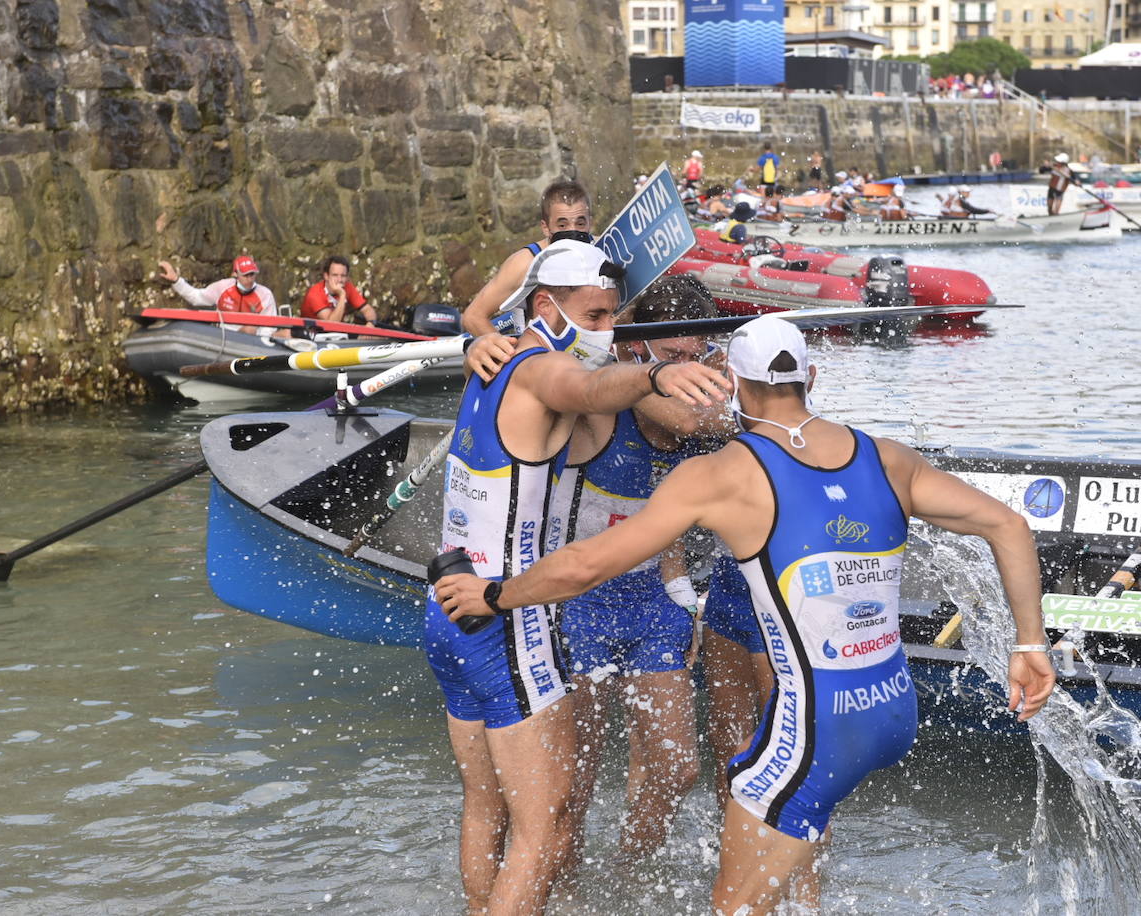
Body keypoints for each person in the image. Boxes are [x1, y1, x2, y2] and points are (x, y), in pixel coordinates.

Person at [435, 315, 1057, 915]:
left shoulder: (721, 475)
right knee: (790, 830)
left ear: (730, 382)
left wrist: (494, 595)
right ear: (812, 380)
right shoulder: (888, 459)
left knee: (735, 905)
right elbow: (1008, 525)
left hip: (818, 725)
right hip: (893, 711)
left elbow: (586, 566)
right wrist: (1029, 645)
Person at [426, 240, 731, 915]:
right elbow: (590, 388)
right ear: (544, 307)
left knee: (489, 805)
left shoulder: (492, 355)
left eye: (611, 320)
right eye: (593, 318)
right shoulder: (538, 371)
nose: (605, 334)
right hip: (508, 614)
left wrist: (476, 332)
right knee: (548, 825)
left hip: (446, 604)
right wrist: (653, 378)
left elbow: (572, 369)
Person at [554, 275, 732, 867]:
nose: (691, 372)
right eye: (674, 357)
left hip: (653, 607)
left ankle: (629, 878)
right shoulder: (603, 412)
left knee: (678, 768)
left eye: (698, 356)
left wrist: (686, 601)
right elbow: (684, 419)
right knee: (571, 786)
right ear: (638, 352)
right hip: (576, 606)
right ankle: (565, 890)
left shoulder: (702, 426)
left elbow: (669, 531)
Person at [458, 179, 593, 377]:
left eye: (580, 223)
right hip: (537, 365)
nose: (572, 231)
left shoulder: (601, 252)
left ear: (591, 223)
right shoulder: (524, 263)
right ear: (546, 228)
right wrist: (511, 361)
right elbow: (473, 316)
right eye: (562, 224)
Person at [156, 255, 280, 335]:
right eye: (245, 275)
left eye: (252, 274)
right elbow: (196, 297)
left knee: (251, 329)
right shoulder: (223, 287)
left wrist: (256, 337)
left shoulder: (265, 294)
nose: (249, 279)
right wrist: (176, 280)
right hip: (221, 336)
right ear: (235, 274)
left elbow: (269, 327)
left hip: (250, 340)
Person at [300, 255, 377, 325]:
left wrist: (371, 323)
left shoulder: (348, 287)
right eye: (335, 275)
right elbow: (331, 325)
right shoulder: (315, 293)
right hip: (312, 333)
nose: (339, 280)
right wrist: (342, 295)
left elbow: (367, 309)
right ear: (326, 276)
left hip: (337, 334)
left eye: (343, 276)